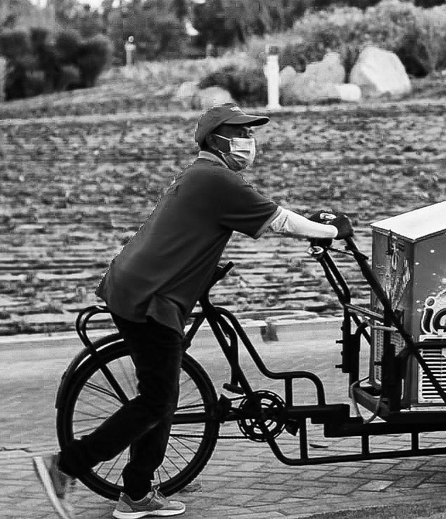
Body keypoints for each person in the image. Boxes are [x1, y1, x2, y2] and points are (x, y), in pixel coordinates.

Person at [33, 103, 353, 519]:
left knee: (159, 396)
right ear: (217, 139)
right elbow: (279, 222)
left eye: (251, 134)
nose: (249, 142)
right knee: (156, 400)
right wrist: (332, 230)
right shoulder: (216, 179)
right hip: (151, 297)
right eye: (241, 133)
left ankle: (136, 492)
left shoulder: (199, 174)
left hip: (140, 287)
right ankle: (65, 466)